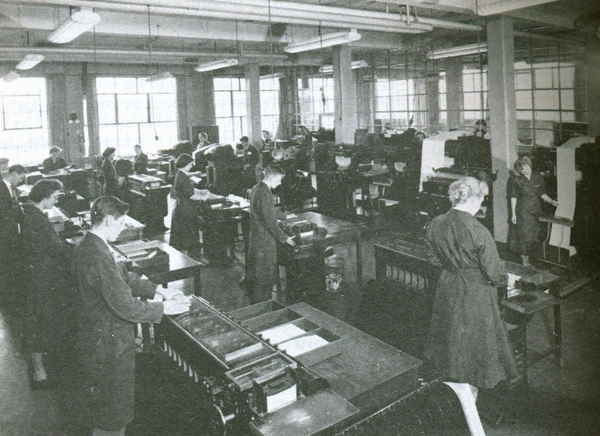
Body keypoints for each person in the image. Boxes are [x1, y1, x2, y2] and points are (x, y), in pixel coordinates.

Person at [72, 196, 188, 436]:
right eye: (122, 223)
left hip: (104, 340)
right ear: (107, 221)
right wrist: (164, 309)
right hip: (108, 345)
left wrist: (158, 290)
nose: (125, 228)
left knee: (112, 408)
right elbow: (126, 306)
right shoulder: (97, 255)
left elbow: (124, 277)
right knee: (113, 414)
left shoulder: (95, 245)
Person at [424, 176, 518, 436]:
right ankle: (467, 417)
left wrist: (455, 268)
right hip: (474, 294)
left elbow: (432, 258)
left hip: (448, 289)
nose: (481, 205)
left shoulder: (436, 223)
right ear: (474, 199)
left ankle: (453, 406)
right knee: (474, 352)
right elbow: (496, 274)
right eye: (481, 200)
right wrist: (503, 278)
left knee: (452, 347)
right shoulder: (478, 230)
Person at [21, 179, 73, 388]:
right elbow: (55, 248)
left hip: (38, 277)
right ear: (45, 195)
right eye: (55, 196)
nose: (57, 199)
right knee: (39, 324)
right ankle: (39, 373)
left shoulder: (32, 214)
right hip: (41, 279)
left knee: (40, 323)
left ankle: (40, 369)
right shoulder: (36, 219)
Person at [245, 165, 295, 304]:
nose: (279, 183)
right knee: (265, 276)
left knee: (259, 274)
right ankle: (263, 308)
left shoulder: (257, 188)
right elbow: (271, 221)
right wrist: (285, 238)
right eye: (279, 180)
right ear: (272, 177)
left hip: (257, 238)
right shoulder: (265, 193)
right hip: (264, 240)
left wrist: (286, 217)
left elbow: (269, 210)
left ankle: (259, 305)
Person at [508, 156, 558, 267]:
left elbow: (541, 193)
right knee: (524, 235)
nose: (525, 171)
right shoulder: (515, 179)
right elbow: (513, 196)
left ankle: (530, 258)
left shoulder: (537, 176)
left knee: (535, 233)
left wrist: (551, 201)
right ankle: (525, 261)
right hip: (523, 210)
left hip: (536, 209)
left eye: (526, 168)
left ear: (529, 165)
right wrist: (513, 214)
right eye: (522, 170)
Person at [0, 164, 26, 304]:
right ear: (14, 174)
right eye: (20, 178)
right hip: (3, 231)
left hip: (10, 230)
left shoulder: (12, 189)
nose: (21, 181)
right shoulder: (1, 188)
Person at [170, 153, 204, 254]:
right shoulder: (182, 176)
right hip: (186, 208)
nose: (192, 166)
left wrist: (198, 191)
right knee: (188, 234)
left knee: (186, 234)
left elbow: (187, 190)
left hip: (182, 206)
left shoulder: (180, 174)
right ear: (185, 165)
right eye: (190, 164)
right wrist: (205, 197)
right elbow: (191, 195)